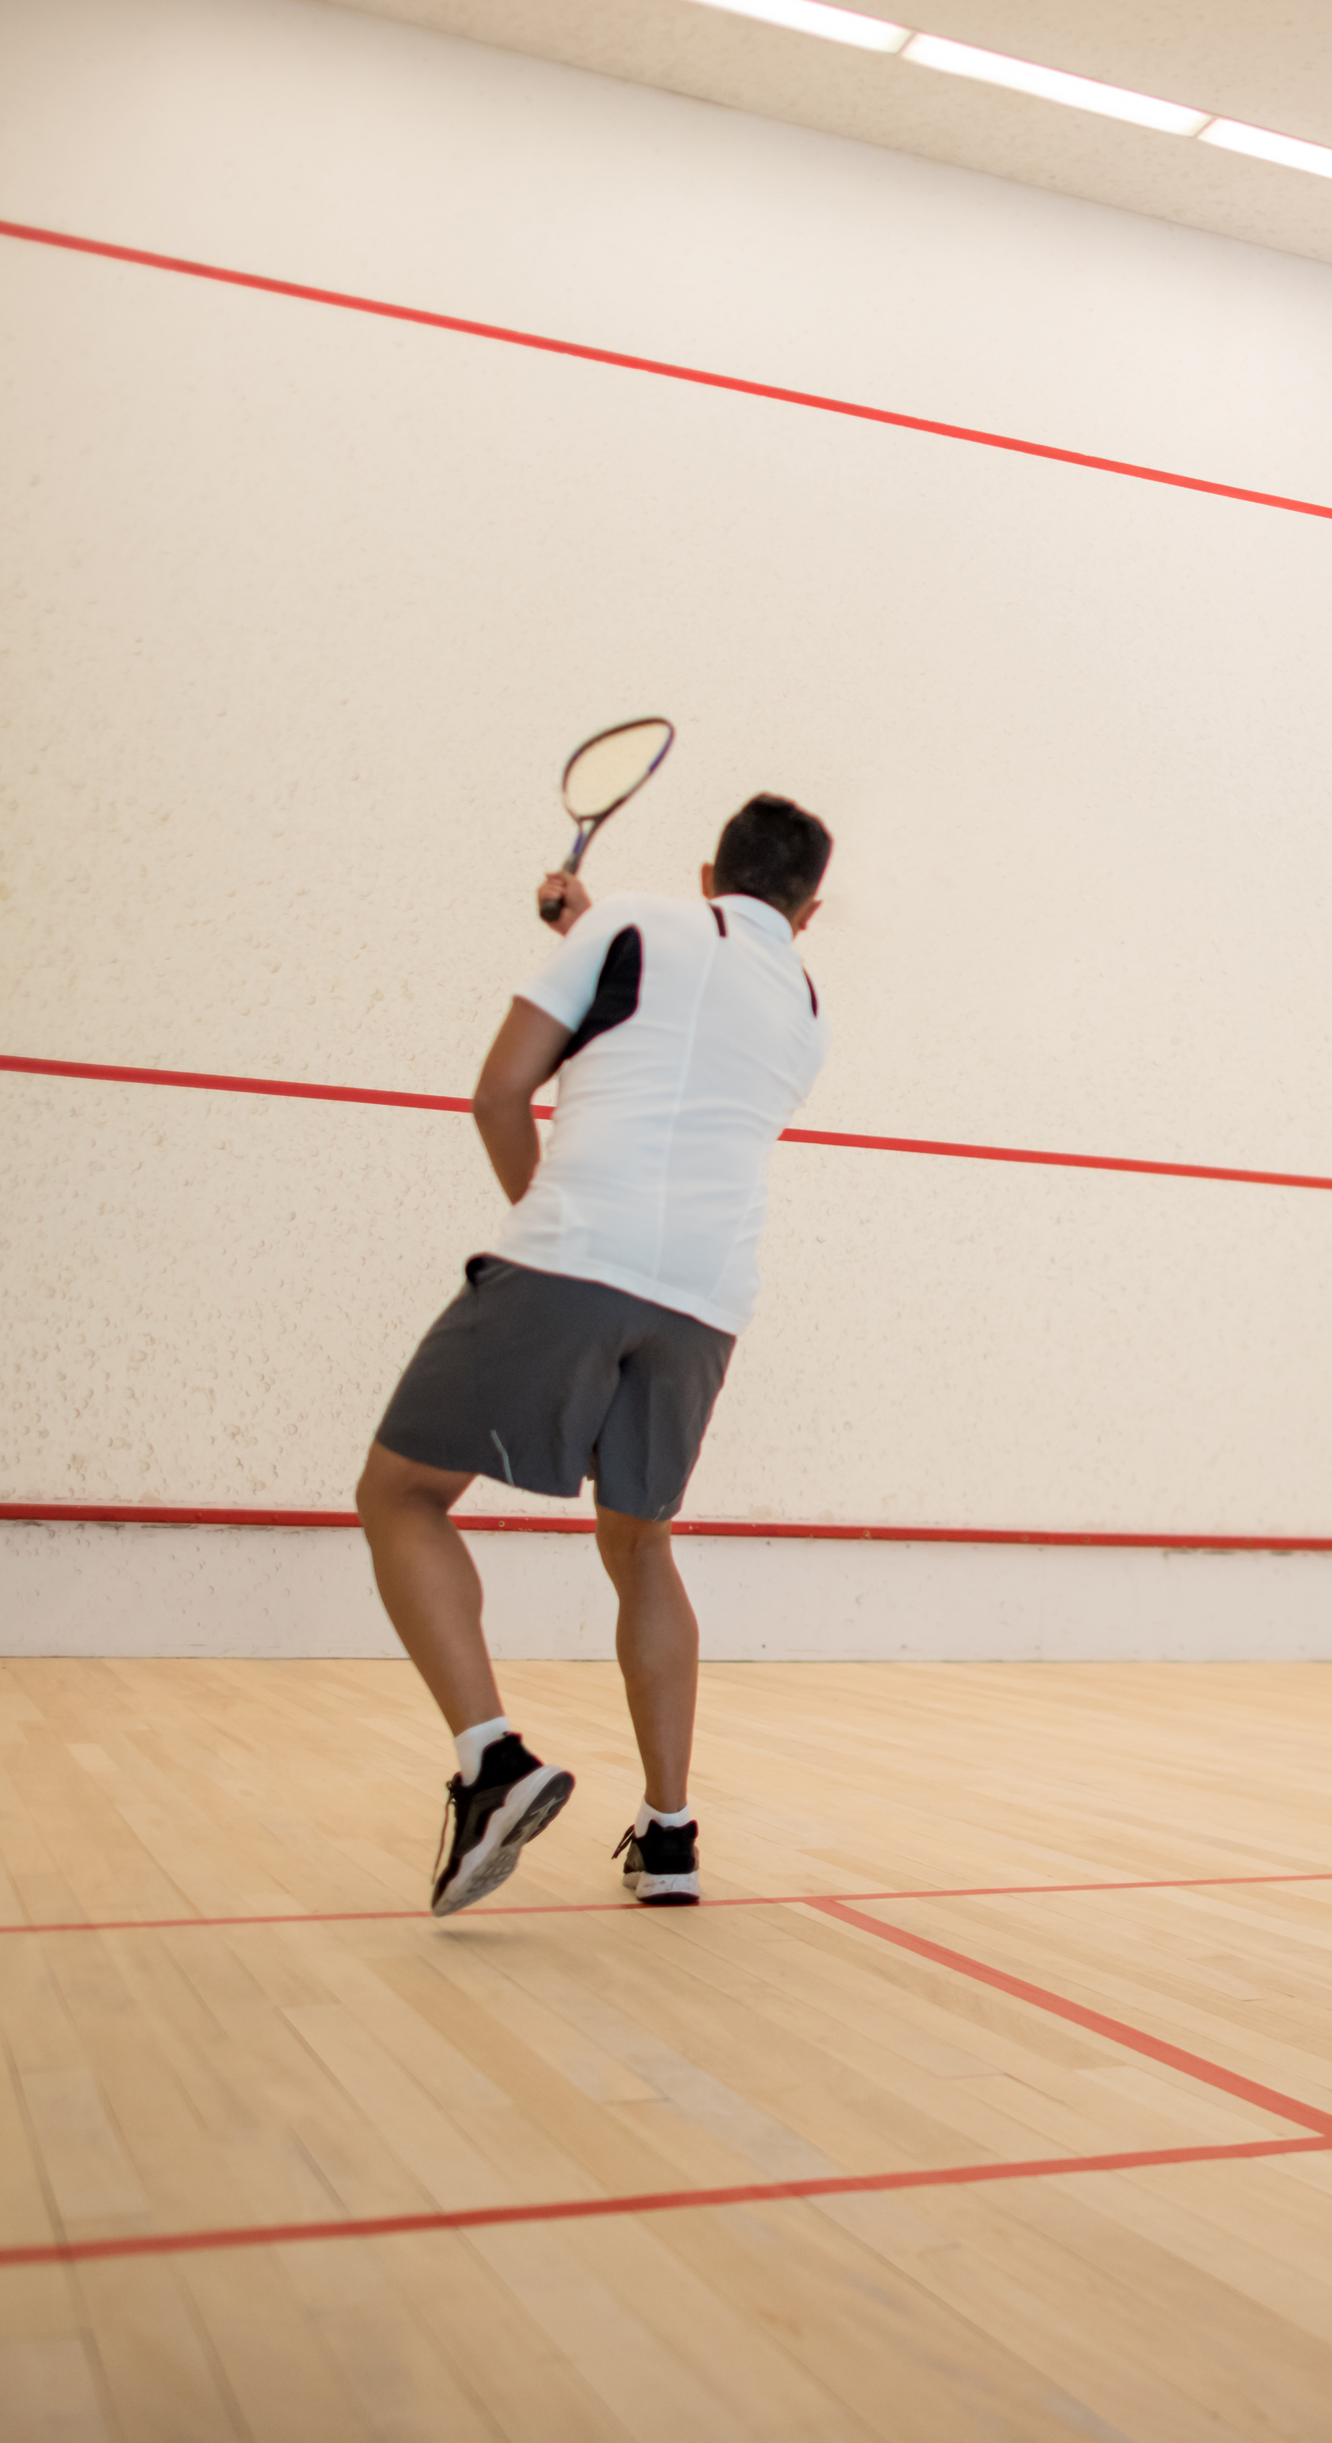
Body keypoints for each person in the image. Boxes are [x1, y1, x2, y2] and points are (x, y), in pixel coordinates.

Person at [355, 792, 833, 1917]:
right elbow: (680, 1022)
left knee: (400, 1495)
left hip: (578, 1254)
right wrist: (587, 929)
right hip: (707, 1299)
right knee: (640, 1542)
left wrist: (544, 1215)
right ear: (808, 914)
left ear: (710, 869)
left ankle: (493, 1762)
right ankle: (668, 1838)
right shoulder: (808, 1008)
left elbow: (500, 1092)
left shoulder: (628, 920)